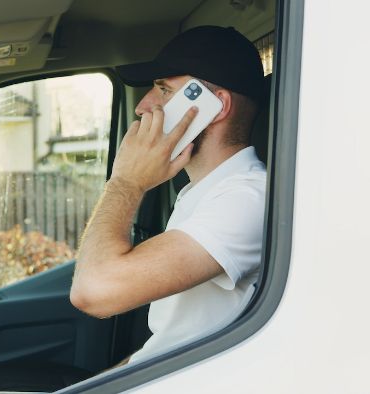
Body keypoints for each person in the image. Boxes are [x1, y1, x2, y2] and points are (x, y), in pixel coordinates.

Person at [70, 25, 267, 363]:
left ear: (216, 107)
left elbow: (94, 292)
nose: (143, 106)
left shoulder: (247, 198)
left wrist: (126, 182)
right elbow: (168, 341)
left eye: (163, 90)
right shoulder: (203, 191)